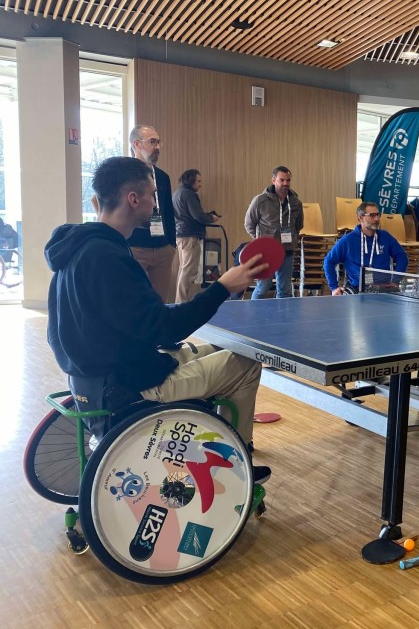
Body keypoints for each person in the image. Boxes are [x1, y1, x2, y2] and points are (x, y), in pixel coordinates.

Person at [44, 156, 271, 480]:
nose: (156, 202)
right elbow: (164, 330)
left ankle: (221, 443)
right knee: (247, 363)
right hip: (129, 386)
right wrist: (222, 288)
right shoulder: (108, 257)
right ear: (133, 199)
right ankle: (236, 466)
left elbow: (73, 331)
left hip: (95, 378)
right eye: (152, 195)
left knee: (223, 349)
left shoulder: (76, 249)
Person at [127, 125, 177, 303]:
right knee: (134, 301)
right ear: (137, 144)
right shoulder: (124, 173)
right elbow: (100, 201)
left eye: (158, 142)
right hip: (135, 247)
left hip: (162, 248)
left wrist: (172, 244)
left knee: (160, 302)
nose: (157, 147)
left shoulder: (162, 176)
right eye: (152, 142)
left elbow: (168, 210)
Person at [244, 166, 304, 299]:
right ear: (273, 181)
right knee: (263, 288)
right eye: (281, 180)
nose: (285, 183)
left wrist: (292, 237)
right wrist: (261, 240)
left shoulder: (296, 202)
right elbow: (249, 224)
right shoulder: (260, 201)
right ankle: (254, 312)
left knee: (285, 290)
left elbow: (298, 225)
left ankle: (283, 313)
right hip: (266, 252)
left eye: (288, 180)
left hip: (287, 251)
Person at [324, 202, 408, 294]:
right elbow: (328, 261)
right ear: (361, 218)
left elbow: (402, 256)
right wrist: (334, 287)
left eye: (378, 215)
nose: (376, 219)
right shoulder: (348, 240)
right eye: (372, 215)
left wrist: (395, 281)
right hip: (357, 290)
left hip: (383, 290)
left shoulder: (385, 237)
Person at [173, 169, 221, 303]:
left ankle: (180, 302)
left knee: (183, 270)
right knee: (188, 272)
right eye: (198, 181)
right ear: (191, 180)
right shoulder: (189, 194)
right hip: (190, 237)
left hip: (181, 235)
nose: (200, 184)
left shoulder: (177, 193)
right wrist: (211, 217)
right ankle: (181, 303)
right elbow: (198, 216)